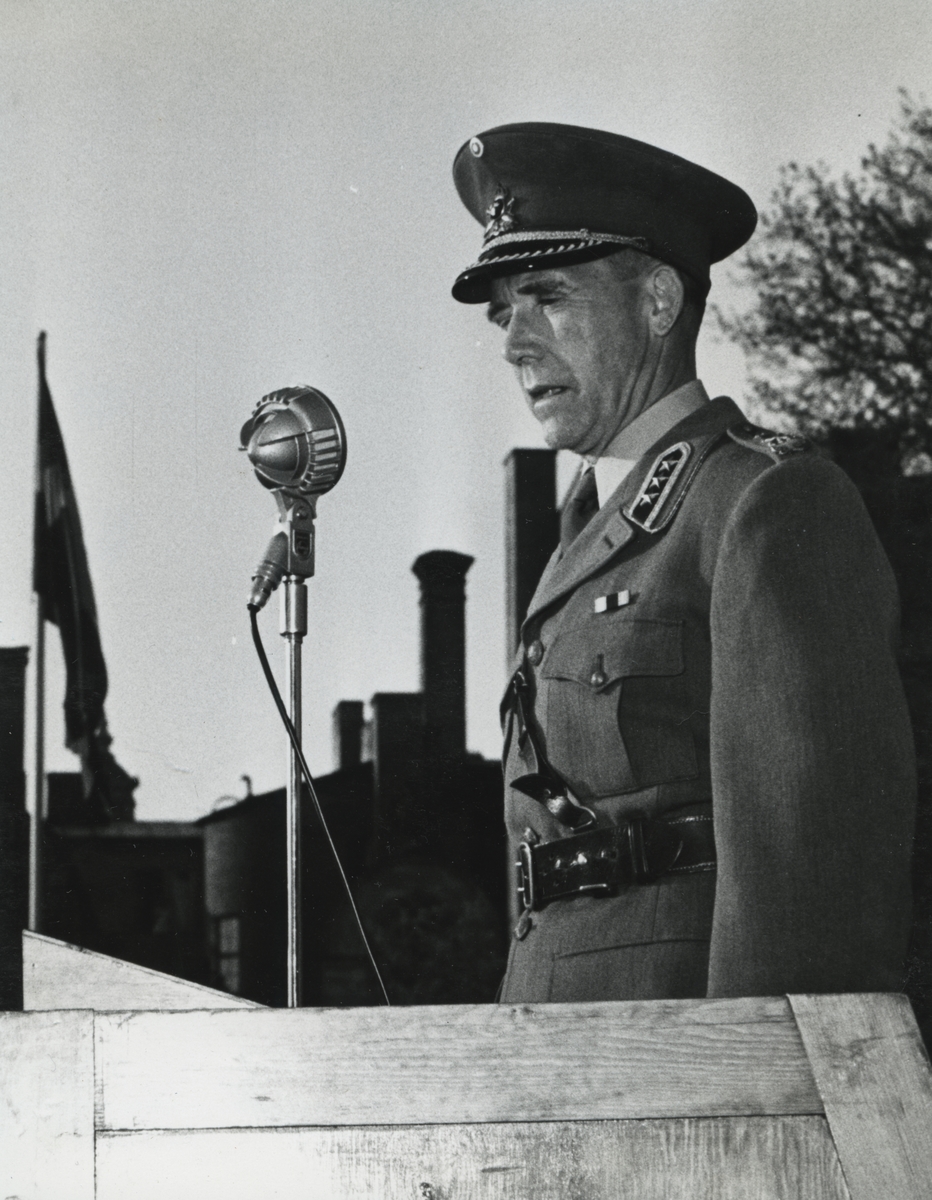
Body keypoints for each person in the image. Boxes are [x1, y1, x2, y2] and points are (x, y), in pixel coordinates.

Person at [450, 122, 916, 1003]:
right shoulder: (586, 532)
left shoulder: (763, 503)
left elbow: (811, 875)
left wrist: (757, 1079)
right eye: (505, 312)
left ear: (659, 302)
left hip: (681, 1053)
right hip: (555, 1036)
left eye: (548, 297)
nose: (514, 342)